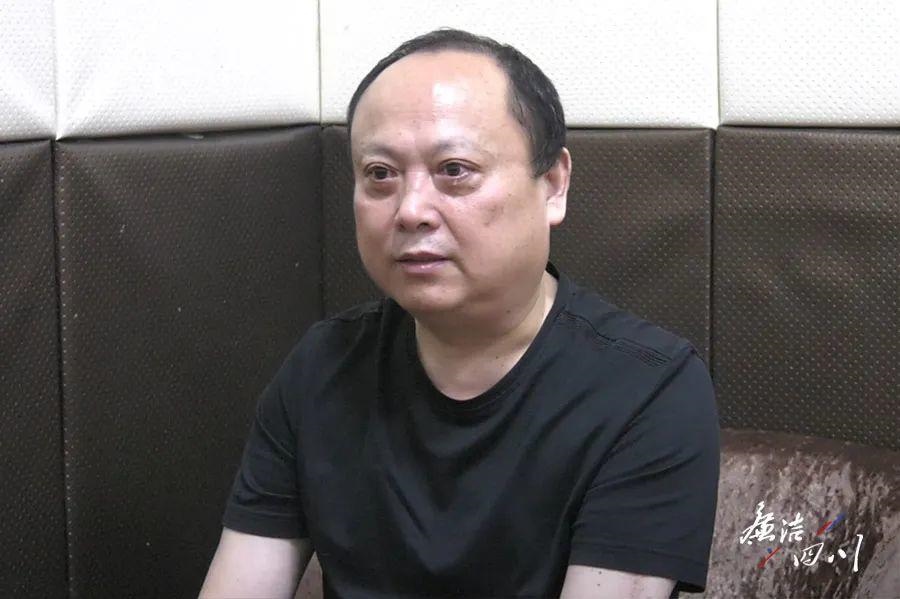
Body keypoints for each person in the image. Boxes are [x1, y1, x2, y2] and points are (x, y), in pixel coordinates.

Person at [199, 28, 719, 599]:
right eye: (380, 174)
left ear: (552, 185)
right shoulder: (322, 368)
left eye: (454, 169)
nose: (411, 210)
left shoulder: (647, 388)